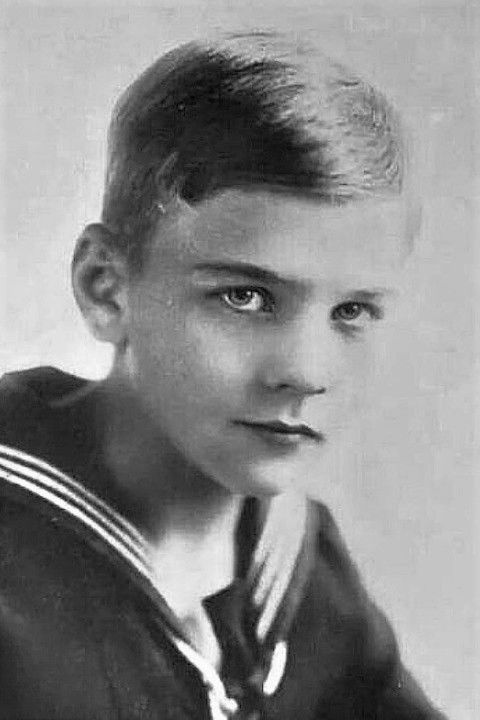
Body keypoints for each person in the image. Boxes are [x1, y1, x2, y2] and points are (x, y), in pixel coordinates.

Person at [0, 32, 446, 720]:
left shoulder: (300, 565)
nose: (306, 373)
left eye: (351, 311)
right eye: (245, 297)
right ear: (105, 288)